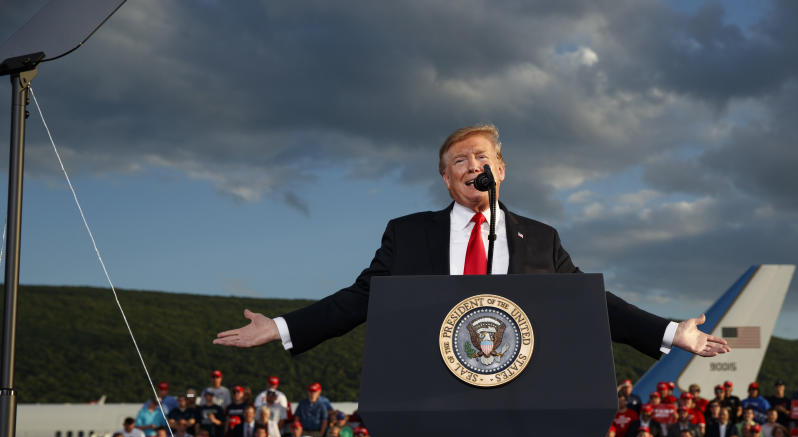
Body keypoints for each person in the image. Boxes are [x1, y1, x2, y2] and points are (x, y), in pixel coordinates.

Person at [213, 124, 730, 362]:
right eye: (458, 161)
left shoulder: (540, 239)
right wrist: (281, 327)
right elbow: (360, 299)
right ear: (445, 180)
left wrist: (669, 333)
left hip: (523, 391)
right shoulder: (409, 233)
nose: (471, 167)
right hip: (429, 392)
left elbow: (590, 303)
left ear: (500, 171)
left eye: (481, 158)